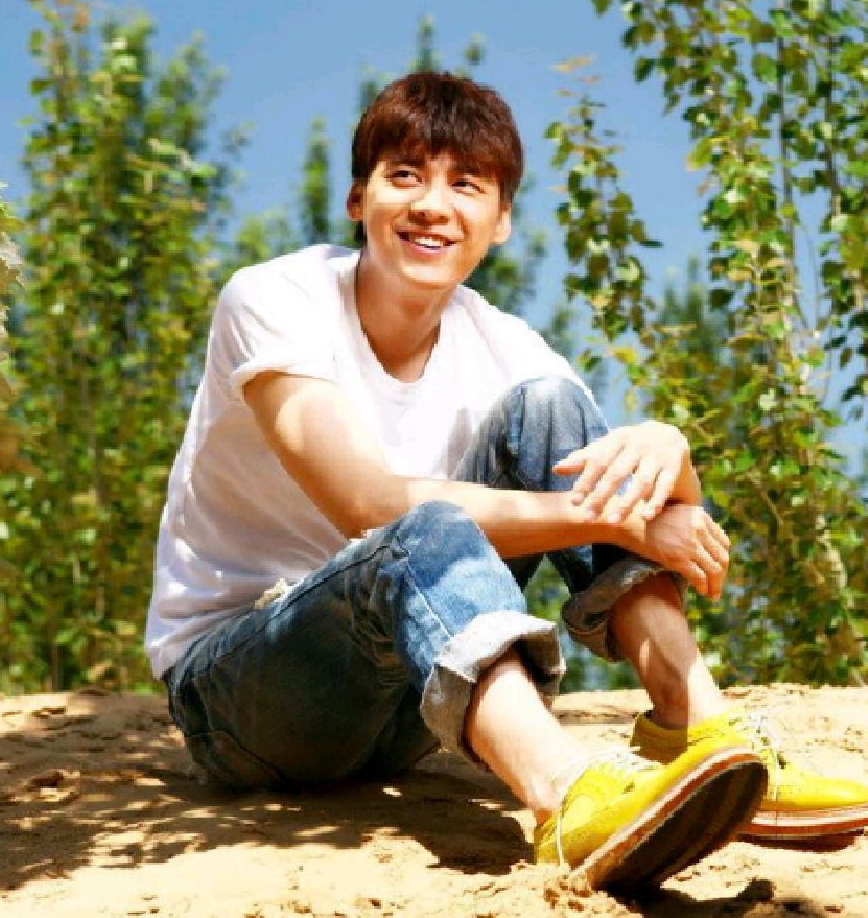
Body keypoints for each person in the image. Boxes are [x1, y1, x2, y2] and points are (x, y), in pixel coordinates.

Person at [145, 71, 868, 891]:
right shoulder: (275, 298)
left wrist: (672, 451)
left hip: (413, 702)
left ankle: (700, 725)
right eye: (405, 175)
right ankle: (566, 795)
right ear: (357, 198)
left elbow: (654, 510)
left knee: (554, 408)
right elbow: (366, 505)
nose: (432, 205)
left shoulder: (504, 343)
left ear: (501, 221)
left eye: (466, 184)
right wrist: (620, 518)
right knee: (420, 532)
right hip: (245, 696)